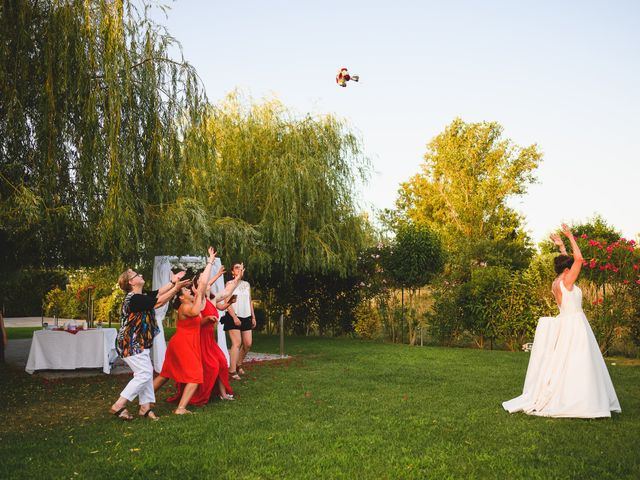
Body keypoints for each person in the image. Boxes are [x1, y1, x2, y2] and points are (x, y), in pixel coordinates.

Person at [502, 224, 621, 418]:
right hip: (576, 325)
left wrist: (561, 246)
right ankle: (582, 399)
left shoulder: (557, 282)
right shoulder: (568, 282)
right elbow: (579, 259)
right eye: (570, 267)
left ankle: (569, 394)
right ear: (567, 269)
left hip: (566, 323)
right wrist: (570, 236)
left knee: (566, 363)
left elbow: (567, 262)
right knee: (579, 361)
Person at [154, 249, 243, 414]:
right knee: (194, 374)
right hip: (186, 343)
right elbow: (202, 287)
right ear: (181, 297)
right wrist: (210, 262)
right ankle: (180, 407)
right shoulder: (189, 306)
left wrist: (236, 279)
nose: (189, 291)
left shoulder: (195, 302)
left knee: (165, 374)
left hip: (187, 343)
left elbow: (208, 288)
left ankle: (146, 400)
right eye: (186, 291)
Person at [109, 267, 190, 421]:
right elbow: (158, 302)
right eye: (136, 275)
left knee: (146, 372)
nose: (140, 275)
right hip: (130, 342)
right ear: (131, 282)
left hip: (139, 342)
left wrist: (173, 282)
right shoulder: (133, 299)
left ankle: (145, 408)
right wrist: (176, 289)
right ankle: (119, 404)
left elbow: (158, 293)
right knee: (144, 373)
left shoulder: (141, 295)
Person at [166, 268, 237, 405]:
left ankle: (222, 394)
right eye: (202, 280)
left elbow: (224, 292)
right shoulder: (195, 301)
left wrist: (237, 279)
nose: (206, 283)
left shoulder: (209, 298)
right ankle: (195, 396)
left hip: (210, 340)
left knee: (221, 363)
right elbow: (196, 320)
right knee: (211, 366)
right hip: (198, 340)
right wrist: (210, 262)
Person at [222, 263, 256, 380]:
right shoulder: (230, 284)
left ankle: (238, 364)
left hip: (246, 316)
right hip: (233, 316)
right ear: (232, 272)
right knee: (237, 343)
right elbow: (227, 301)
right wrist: (234, 317)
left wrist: (253, 316)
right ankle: (231, 371)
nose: (239, 269)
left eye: (241, 268)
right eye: (236, 268)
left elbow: (249, 301)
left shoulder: (246, 284)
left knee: (248, 344)